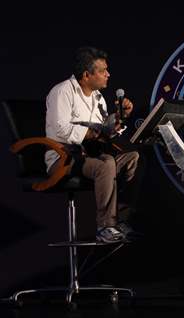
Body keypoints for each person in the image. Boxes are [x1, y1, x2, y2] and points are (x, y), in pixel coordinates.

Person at [45, 46, 142, 243]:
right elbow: (60, 130)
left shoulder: (98, 97)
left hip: (91, 155)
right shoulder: (62, 91)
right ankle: (105, 227)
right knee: (106, 164)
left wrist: (119, 118)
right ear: (87, 74)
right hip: (64, 157)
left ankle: (120, 220)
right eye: (102, 71)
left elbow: (106, 129)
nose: (108, 74)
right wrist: (92, 133)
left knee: (132, 157)